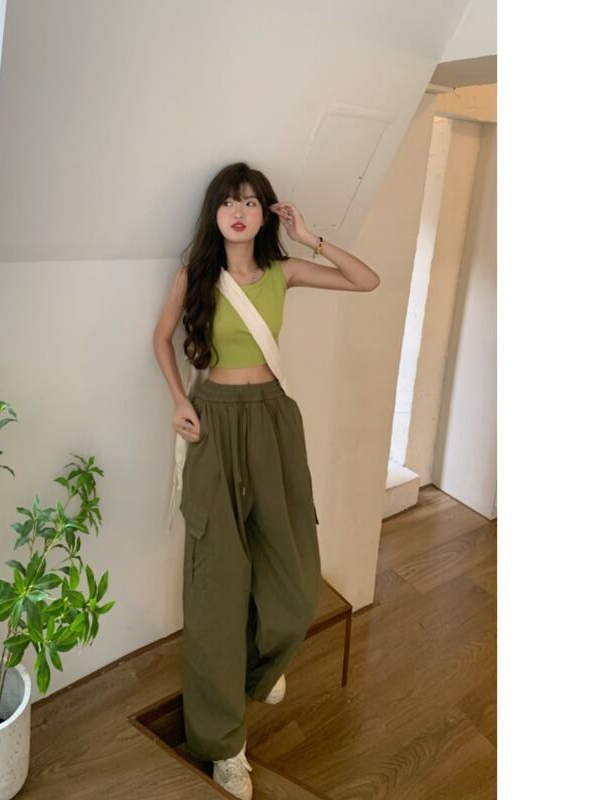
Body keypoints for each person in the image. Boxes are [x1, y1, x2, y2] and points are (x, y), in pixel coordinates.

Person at [152, 161, 380, 799]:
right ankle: (225, 746)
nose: (239, 211)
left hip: (274, 422)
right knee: (215, 585)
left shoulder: (284, 272)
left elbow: (366, 280)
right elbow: (160, 338)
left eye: (251, 201)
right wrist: (179, 399)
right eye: (229, 201)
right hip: (214, 424)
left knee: (297, 577)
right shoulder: (195, 276)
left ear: (265, 213)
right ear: (215, 212)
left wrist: (310, 237)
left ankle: (258, 665)